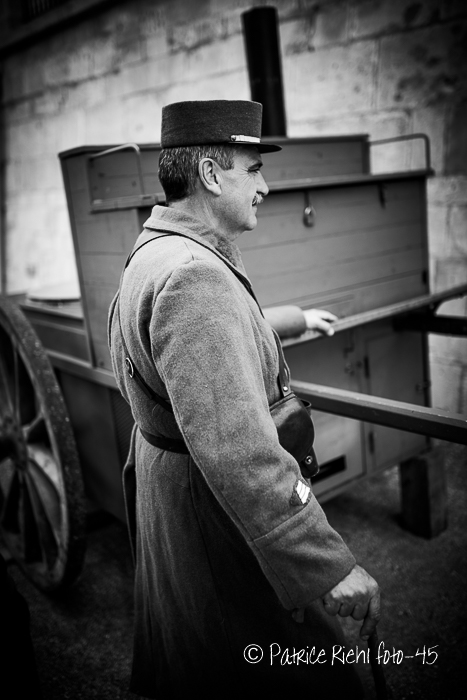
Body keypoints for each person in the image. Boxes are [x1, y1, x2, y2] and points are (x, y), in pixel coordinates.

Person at [108, 100, 380, 699]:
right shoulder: (193, 277)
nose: (264, 186)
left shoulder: (158, 249)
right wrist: (325, 565)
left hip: (179, 496)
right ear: (210, 174)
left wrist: (294, 317)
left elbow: (213, 336)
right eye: (252, 170)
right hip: (212, 519)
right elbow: (240, 451)